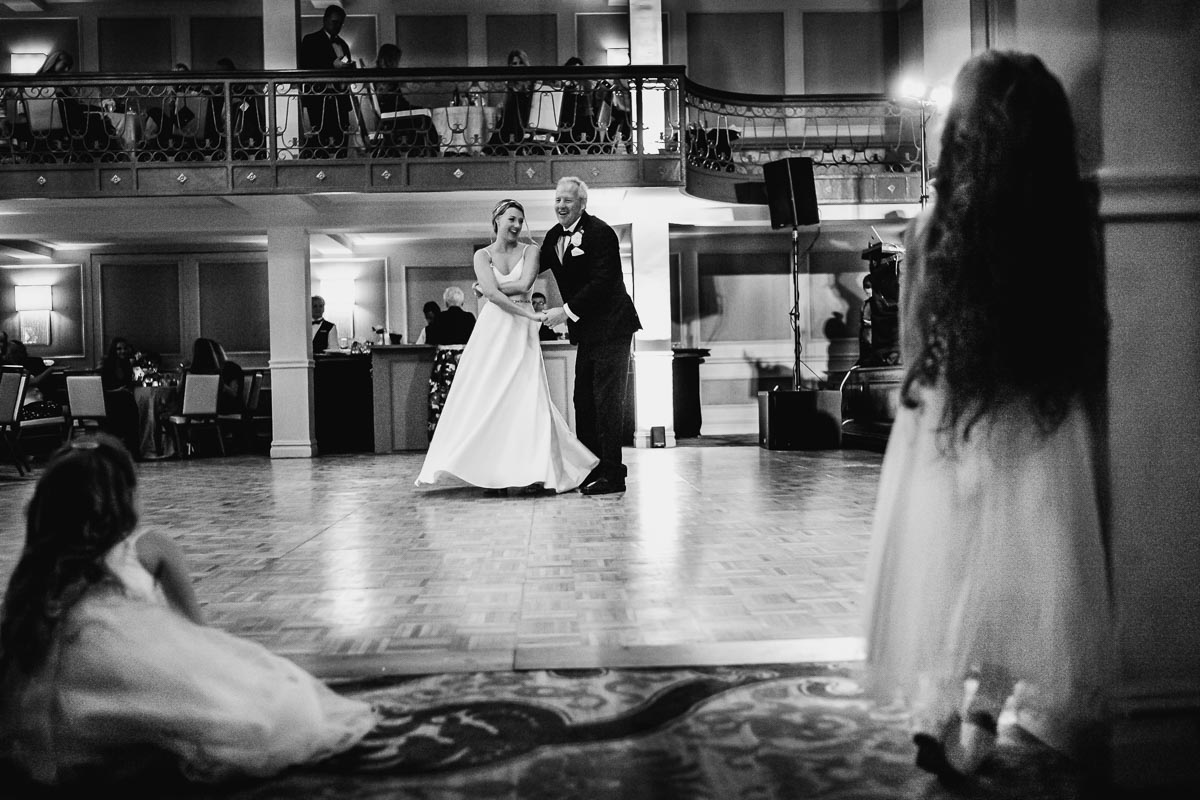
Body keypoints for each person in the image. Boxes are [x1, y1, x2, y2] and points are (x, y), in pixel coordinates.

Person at [862, 51, 1111, 787]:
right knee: (1023, 573)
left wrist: (914, 388)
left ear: (965, 135)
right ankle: (981, 712)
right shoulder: (1064, 226)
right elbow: (1084, 326)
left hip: (947, 417)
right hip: (1037, 418)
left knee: (947, 568)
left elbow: (913, 332)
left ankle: (938, 710)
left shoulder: (935, 223)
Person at [0, 434, 377, 787]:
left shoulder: (35, 575)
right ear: (125, 499)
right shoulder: (150, 547)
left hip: (61, 724)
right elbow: (196, 630)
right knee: (286, 709)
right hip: (125, 677)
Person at [417, 199, 598, 494]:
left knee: (528, 396)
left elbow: (525, 284)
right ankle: (494, 474)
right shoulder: (481, 255)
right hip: (494, 328)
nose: (515, 225)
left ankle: (535, 473)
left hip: (521, 332)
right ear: (497, 221)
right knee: (491, 396)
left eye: (519, 220)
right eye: (511, 219)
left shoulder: (531, 251)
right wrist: (511, 303)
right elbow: (490, 293)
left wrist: (489, 289)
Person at [540, 177, 642, 496]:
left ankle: (613, 475)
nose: (561, 206)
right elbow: (529, 267)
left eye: (567, 201)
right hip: (587, 332)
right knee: (582, 400)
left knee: (608, 402)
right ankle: (590, 468)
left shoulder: (601, 232)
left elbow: (603, 282)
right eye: (557, 200)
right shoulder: (553, 236)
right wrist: (494, 284)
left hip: (613, 327)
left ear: (582, 203)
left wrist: (565, 311)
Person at [299, 4, 354, 158]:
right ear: (325, 20)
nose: (337, 26)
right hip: (319, 98)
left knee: (342, 138)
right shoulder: (310, 40)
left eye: (340, 23)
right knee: (320, 141)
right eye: (334, 22)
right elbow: (306, 65)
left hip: (340, 97)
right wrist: (331, 65)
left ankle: (342, 173)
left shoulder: (343, 44)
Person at [423, 286, 476, 439]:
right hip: (464, 360)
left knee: (441, 398)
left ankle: (441, 437)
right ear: (462, 302)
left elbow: (431, 338)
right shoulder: (469, 318)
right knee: (465, 397)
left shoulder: (439, 318)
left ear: (446, 303)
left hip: (444, 362)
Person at [98, 336, 141, 456]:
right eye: (119, 349)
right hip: (109, 400)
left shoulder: (127, 364)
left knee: (130, 403)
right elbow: (102, 389)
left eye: (124, 348)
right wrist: (119, 390)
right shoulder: (107, 365)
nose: (122, 351)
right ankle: (128, 450)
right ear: (114, 350)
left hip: (123, 398)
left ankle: (132, 449)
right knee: (127, 403)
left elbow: (128, 384)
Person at [486, 49, 534, 154]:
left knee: (513, 112)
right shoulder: (510, 83)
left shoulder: (532, 82)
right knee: (509, 113)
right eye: (514, 64)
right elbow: (505, 103)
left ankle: (495, 147)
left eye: (521, 63)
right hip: (513, 117)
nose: (518, 66)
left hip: (529, 114)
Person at [188, 338, 244, 416]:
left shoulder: (232, 368)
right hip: (209, 406)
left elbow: (234, 394)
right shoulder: (206, 370)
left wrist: (218, 384)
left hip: (228, 406)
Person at [558, 57, 599, 154]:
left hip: (585, 116)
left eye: (578, 69)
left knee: (588, 144)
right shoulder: (564, 83)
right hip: (568, 116)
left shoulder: (587, 83)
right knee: (568, 145)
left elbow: (592, 97)